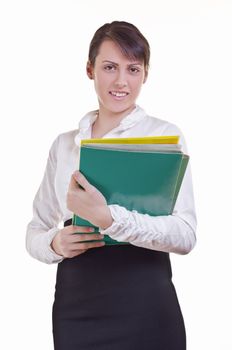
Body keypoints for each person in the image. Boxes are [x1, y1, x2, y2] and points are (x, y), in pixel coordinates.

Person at [26, 20, 197, 350]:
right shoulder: (64, 145)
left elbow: (186, 235)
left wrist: (108, 219)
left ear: (146, 73)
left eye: (133, 69)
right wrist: (55, 244)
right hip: (77, 309)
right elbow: (35, 229)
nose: (121, 81)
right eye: (109, 67)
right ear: (90, 70)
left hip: (146, 302)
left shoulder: (165, 138)